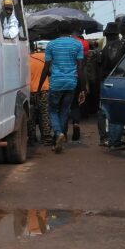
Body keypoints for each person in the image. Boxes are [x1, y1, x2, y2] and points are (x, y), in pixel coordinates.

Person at [37, 21, 83, 153]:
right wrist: (83, 87)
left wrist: (40, 87)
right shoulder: (77, 44)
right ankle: (60, 136)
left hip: (56, 83)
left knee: (52, 110)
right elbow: (80, 67)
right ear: (70, 31)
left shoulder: (51, 45)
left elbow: (46, 68)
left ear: (58, 31)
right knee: (64, 110)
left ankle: (58, 133)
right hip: (71, 83)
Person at [97, 17, 125, 149]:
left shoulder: (107, 48)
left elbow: (100, 66)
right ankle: (114, 141)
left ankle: (108, 138)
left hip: (106, 81)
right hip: (120, 81)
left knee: (105, 110)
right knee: (116, 111)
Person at [27, 48, 52, 144]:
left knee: (30, 115)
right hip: (43, 89)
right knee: (44, 114)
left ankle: (32, 138)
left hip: (29, 91)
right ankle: (46, 137)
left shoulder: (25, 59)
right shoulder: (44, 57)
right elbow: (50, 72)